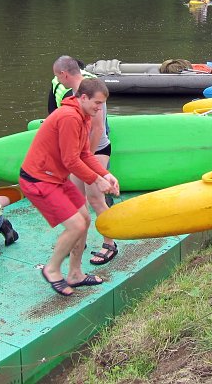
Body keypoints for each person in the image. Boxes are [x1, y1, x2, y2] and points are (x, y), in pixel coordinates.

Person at [21, 78, 120, 296]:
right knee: (75, 224)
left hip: (56, 178)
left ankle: (75, 274)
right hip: (38, 179)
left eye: (102, 104)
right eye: (97, 103)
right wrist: (96, 180)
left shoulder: (84, 116)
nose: (99, 108)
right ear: (83, 97)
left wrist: (106, 173)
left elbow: (84, 154)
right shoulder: (68, 117)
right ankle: (52, 268)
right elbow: (70, 161)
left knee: (84, 219)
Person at [50, 55, 118, 266]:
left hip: (95, 150)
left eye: (57, 77)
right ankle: (80, 240)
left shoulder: (90, 92)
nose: (57, 81)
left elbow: (98, 129)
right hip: (80, 154)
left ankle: (110, 243)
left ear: (64, 74)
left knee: (95, 199)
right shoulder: (73, 94)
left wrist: (84, 158)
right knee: (76, 200)